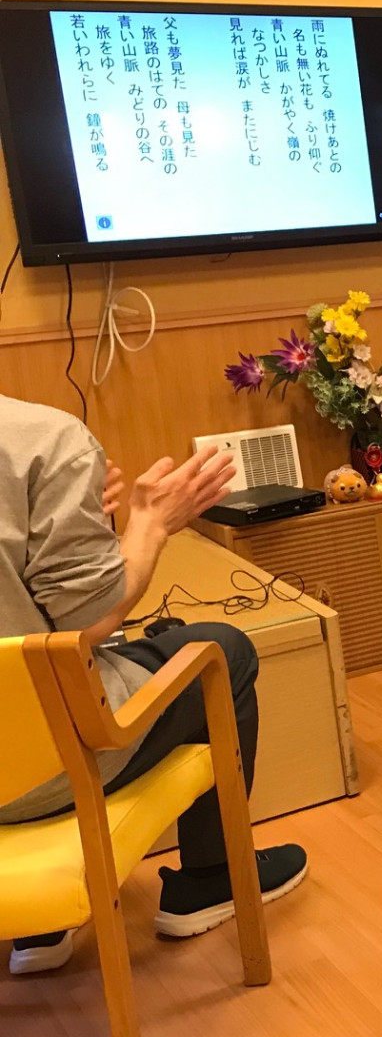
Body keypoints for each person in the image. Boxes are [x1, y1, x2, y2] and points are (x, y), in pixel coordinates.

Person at [1, 397, 309, 974]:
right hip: (41, 769)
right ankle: (211, 877)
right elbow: (85, 624)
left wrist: (79, 529)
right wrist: (149, 524)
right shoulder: (39, 439)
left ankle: (37, 924)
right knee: (222, 651)